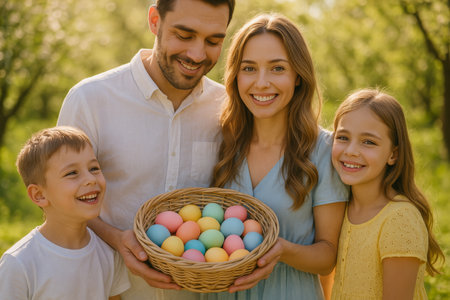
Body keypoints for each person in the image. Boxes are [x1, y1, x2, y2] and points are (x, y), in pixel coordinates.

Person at [57, 0, 235, 299]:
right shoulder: (91, 99)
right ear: (155, 20)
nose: (197, 54)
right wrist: (116, 239)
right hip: (106, 289)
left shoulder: (228, 107)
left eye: (213, 40)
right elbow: (57, 202)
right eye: (184, 34)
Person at [209, 13, 349, 299]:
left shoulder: (323, 151)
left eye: (277, 68)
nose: (261, 83)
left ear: (298, 75)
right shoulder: (223, 142)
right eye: (249, 68)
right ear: (235, 76)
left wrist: (281, 250)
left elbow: (328, 256)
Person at [330, 89, 445, 299]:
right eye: (343, 137)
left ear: (394, 154)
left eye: (368, 142)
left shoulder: (399, 220)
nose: (351, 151)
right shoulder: (341, 208)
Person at [0, 126, 130, 300]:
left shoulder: (108, 254)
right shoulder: (19, 263)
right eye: (72, 173)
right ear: (39, 195)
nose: (91, 180)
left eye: (94, 168)